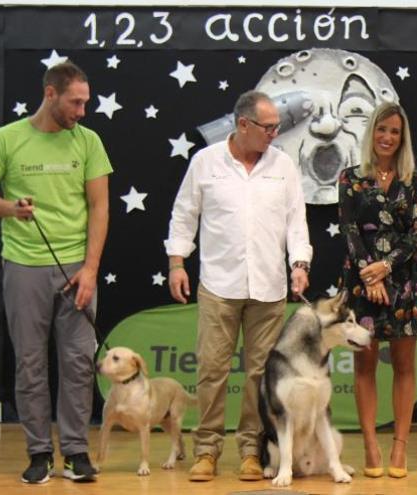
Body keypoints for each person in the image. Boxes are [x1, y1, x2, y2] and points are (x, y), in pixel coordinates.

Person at [0, 62, 112, 484]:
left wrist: (90, 269)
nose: (83, 111)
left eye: (85, 102)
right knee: (30, 363)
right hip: (24, 265)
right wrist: (10, 209)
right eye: (76, 102)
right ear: (50, 94)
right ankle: (37, 453)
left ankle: (75, 451)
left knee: (79, 362)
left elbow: (100, 207)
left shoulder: (88, 142)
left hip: (76, 268)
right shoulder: (7, 138)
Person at [165, 90, 312, 482]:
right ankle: (207, 449)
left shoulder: (284, 166)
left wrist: (299, 263)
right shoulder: (206, 162)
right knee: (212, 370)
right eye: (268, 127)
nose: (274, 133)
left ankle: (251, 449)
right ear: (242, 125)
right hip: (218, 284)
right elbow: (184, 216)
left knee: (260, 375)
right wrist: (177, 263)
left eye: (277, 126)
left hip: (269, 286)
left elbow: (297, 222)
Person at [337, 102, 417, 479]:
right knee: (365, 365)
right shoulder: (350, 177)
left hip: (404, 282)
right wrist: (369, 275)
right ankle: (371, 445)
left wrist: (386, 268)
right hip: (362, 284)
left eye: (395, 131)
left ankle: (400, 447)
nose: (387, 137)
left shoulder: (415, 178)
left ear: (402, 137)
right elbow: (350, 230)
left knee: (405, 366)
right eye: (381, 129)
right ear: (371, 132)